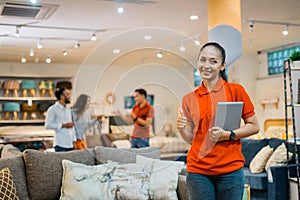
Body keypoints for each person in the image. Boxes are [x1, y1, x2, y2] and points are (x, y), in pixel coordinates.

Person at [177, 42, 259, 200]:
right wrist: (181, 129)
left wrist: (229, 135)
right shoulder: (188, 99)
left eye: (213, 61)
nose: (206, 65)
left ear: (222, 66)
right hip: (198, 172)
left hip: (230, 171)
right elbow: (191, 139)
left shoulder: (236, 91)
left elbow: (254, 126)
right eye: (202, 60)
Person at [45, 88, 76, 152]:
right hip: (60, 144)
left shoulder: (68, 109)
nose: (69, 96)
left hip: (70, 144)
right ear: (62, 96)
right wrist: (63, 125)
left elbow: (71, 126)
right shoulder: (52, 109)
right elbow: (48, 125)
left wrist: (74, 140)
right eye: (67, 94)